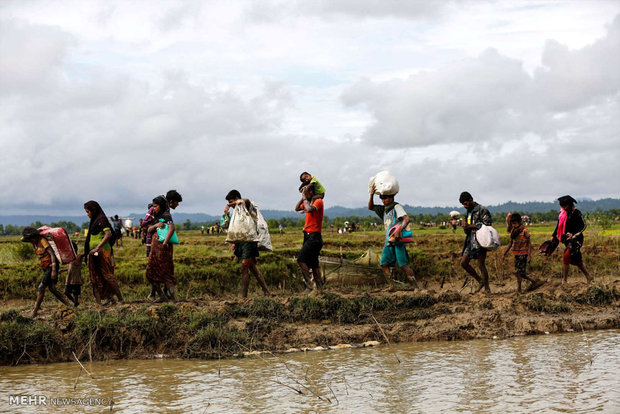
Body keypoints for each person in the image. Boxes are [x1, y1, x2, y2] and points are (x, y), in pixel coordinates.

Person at [368, 184, 418, 290]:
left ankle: (416, 287)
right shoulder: (384, 210)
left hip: (397, 240)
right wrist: (371, 195)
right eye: (381, 198)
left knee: (403, 265)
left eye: (385, 197)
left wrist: (399, 229)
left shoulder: (396, 207)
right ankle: (392, 286)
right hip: (388, 241)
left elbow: (406, 219)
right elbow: (371, 207)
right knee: (384, 263)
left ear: (391, 197)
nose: (383, 200)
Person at [225, 189, 271, 298]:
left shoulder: (247, 206)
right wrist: (235, 243)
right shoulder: (237, 212)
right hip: (241, 243)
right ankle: (267, 292)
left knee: (244, 267)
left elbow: (247, 200)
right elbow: (239, 228)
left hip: (249, 242)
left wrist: (235, 203)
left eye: (232, 201)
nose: (230, 205)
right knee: (252, 267)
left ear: (237, 199)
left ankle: (244, 296)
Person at [21, 227, 71, 317]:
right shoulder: (34, 241)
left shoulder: (42, 241)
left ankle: (35, 311)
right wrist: (31, 234)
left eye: (32, 238)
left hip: (51, 266)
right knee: (52, 288)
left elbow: (52, 254)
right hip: (45, 267)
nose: (31, 240)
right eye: (30, 239)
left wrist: (54, 271)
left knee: (41, 287)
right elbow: (22, 240)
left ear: (35, 236)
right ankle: (69, 305)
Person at [84, 200, 123, 306]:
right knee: (97, 277)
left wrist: (98, 247)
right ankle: (107, 300)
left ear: (93, 210)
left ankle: (120, 299)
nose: (87, 214)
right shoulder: (94, 221)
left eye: (88, 211)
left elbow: (108, 234)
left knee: (107, 276)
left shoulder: (102, 219)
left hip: (104, 251)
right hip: (94, 253)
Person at [551, 195, 593, 284]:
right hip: (566, 240)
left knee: (566, 256)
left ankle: (564, 280)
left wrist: (574, 235)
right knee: (577, 259)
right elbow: (558, 226)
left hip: (576, 240)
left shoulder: (576, 213)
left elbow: (583, 226)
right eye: (562, 206)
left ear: (569, 205)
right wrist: (553, 235)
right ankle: (589, 276)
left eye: (564, 206)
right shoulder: (562, 213)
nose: (562, 207)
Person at [146, 195, 180, 301]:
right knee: (152, 271)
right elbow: (149, 229)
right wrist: (156, 225)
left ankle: (173, 297)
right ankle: (161, 295)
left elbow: (172, 228)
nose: (154, 208)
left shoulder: (166, 215)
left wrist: (165, 242)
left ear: (161, 206)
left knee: (165, 270)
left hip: (163, 248)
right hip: (155, 247)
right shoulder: (156, 215)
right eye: (153, 206)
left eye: (156, 206)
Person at [459, 191, 492, 294]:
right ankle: (480, 281)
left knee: (481, 264)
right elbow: (467, 230)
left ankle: (487, 289)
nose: (464, 206)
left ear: (471, 200)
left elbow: (487, 224)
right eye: (463, 204)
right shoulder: (467, 212)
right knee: (464, 263)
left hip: (481, 240)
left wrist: (471, 226)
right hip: (470, 241)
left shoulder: (482, 210)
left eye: (465, 203)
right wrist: (465, 227)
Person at [502, 213, 544, 293]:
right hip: (516, 254)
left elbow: (529, 243)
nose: (514, 225)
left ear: (520, 222)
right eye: (512, 223)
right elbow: (510, 243)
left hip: (523, 254)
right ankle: (524, 286)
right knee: (519, 273)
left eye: (515, 223)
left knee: (518, 272)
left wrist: (529, 255)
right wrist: (504, 253)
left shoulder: (524, 230)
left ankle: (528, 284)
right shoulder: (513, 232)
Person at [295, 185, 325, 292]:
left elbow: (308, 209)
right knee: (314, 264)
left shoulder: (318, 202)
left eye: (305, 192)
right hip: (308, 236)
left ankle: (309, 286)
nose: (303, 195)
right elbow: (297, 208)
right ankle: (320, 289)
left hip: (314, 236)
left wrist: (304, 196)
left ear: (311, 192)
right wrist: (304, 197)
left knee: (300, 259)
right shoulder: (309, 202)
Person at [65, 242, 84, 307]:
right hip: (69, 278)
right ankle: (75, 302)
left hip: (76, 278)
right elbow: (70, 267)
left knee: (75, 293)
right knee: (66, 292)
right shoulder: (69, 258)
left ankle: (75, 304)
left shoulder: (79, 256)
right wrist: (64, 270)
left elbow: (86, 253)